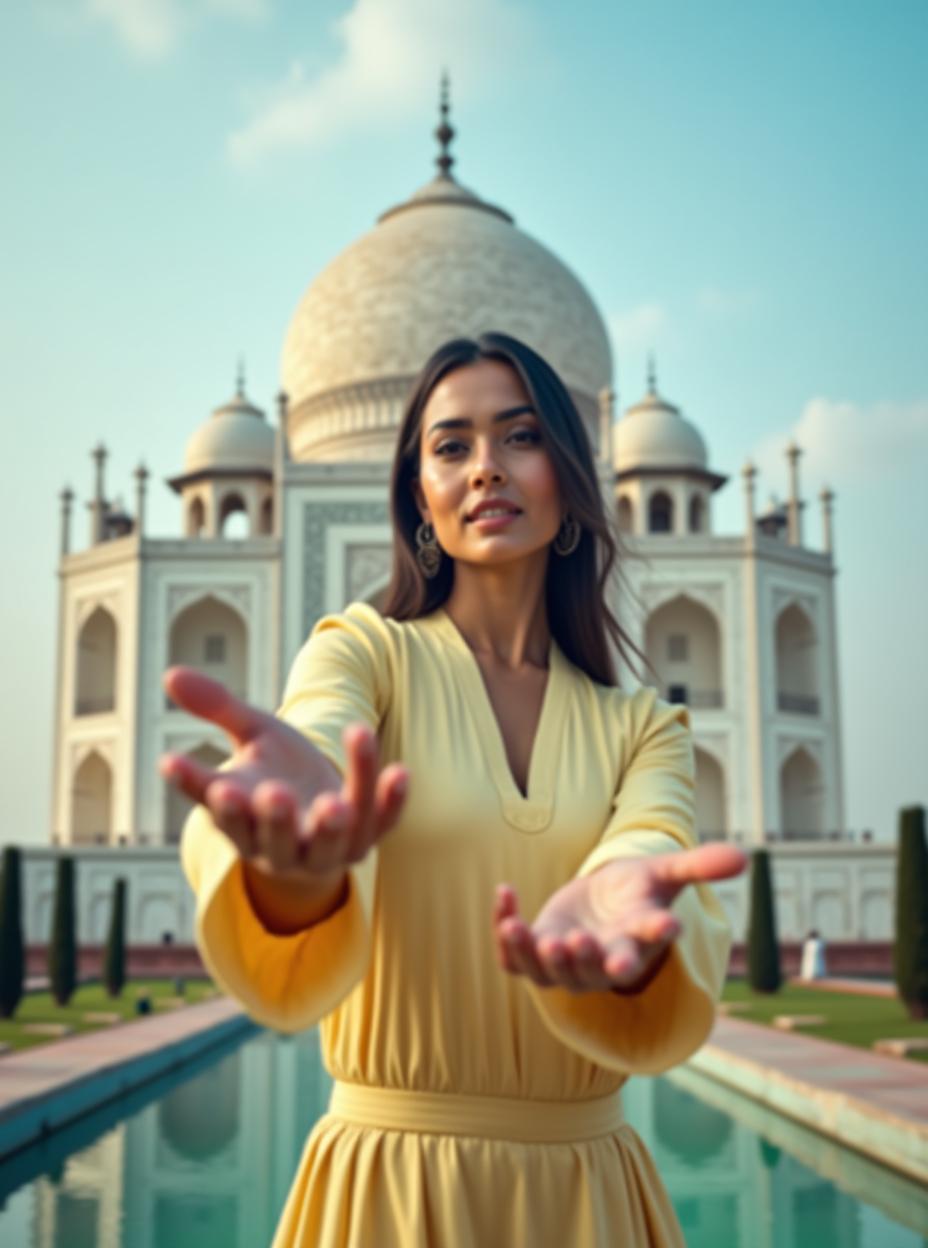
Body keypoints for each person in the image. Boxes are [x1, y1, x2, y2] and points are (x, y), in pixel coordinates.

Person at [160, 332, 747, 1247]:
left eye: (519, 437)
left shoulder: (644, 725)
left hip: (585, 1198)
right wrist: (298, 867)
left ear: (573, 476)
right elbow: (314, 740)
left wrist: (622, 912)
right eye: (451, 446)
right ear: (419, 498)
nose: (485, 470)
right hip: (389, 1192)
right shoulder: (362, 653)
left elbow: (650, 847)